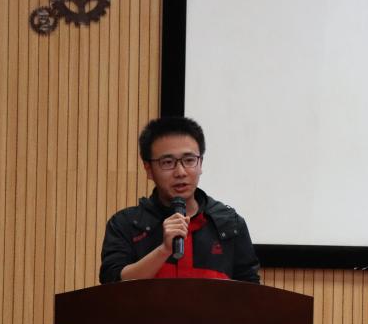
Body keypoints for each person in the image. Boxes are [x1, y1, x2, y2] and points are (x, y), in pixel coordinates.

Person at [99, 116, 260, 284]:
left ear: (200, 163)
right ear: (148, 169)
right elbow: (112, 284)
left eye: (189, 160)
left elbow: (251, 291)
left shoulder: (230, 224)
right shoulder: (126, 224)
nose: (180, 172)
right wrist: (164, 250)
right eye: (167, 162)